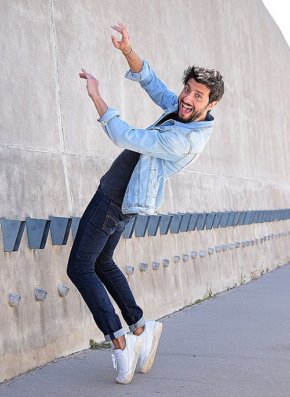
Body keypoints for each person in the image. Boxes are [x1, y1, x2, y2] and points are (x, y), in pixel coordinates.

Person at [67, 22, 224, 385]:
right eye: (187, 90)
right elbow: (155, 85)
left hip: (114, 198)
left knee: (80, 267)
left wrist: (96, 95)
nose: (186, 98)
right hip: (122, 197)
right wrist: (127, 50)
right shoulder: (187, 115)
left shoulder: (184, 139)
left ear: (211, 103)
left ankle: (119, 342)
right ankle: (140, 328)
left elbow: (126, 135)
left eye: (197, 95)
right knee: (102, 261)